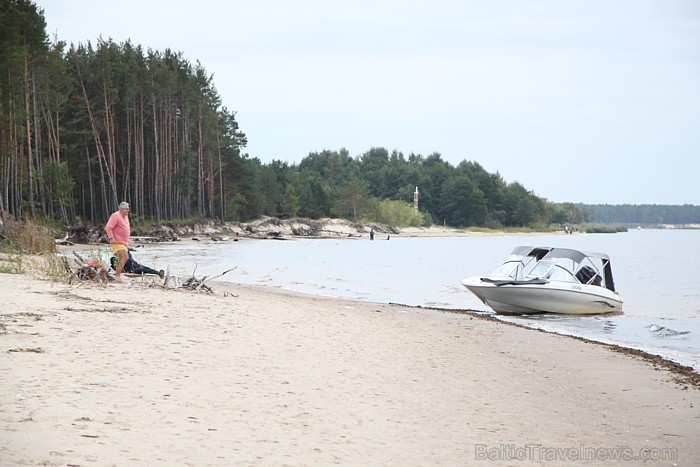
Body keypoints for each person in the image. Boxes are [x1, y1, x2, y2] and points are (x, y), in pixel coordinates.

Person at [104, 201, 131, 283]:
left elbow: (125, 228)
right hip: (117, 241)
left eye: (128, 208)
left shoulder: (126, 217)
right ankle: (117, 276)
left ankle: (115, 275)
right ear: (121, 209)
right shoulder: (115, 215)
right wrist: (111, 238)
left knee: (121, 258)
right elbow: (108, 227)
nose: (128, 210)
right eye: (126, 209)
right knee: (125, 257)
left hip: (124, 242)